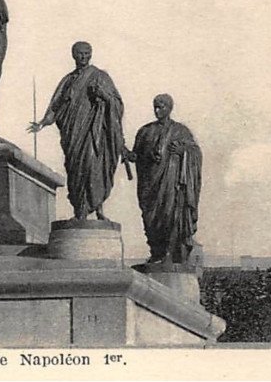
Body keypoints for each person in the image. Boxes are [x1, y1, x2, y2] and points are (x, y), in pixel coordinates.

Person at [27, 41, 125, 221]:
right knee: (76, 171)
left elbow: (117, 104)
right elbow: (56, 106)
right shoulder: (68, 80)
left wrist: (103, 95)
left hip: (93, 134)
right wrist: (42, 123)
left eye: (87, 53)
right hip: (72, 136)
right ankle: (80, 211)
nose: (83, 57)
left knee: (93, 167)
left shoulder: (100, 76)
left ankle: (99, 209)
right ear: (73, 55)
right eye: (80, 53)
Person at [123, 94, 202, 264]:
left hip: (171, 183)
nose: (157, 111)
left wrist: (183, 152)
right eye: (155, 107)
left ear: (169, 108)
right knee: (150, 218)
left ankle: (169, 253)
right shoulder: (144, 132)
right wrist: (128, 153)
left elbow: (195, 151)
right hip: (149, 184)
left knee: (169, 215)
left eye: (161, 107)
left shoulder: (181, 131)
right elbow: (135, 155)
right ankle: (156, 252)